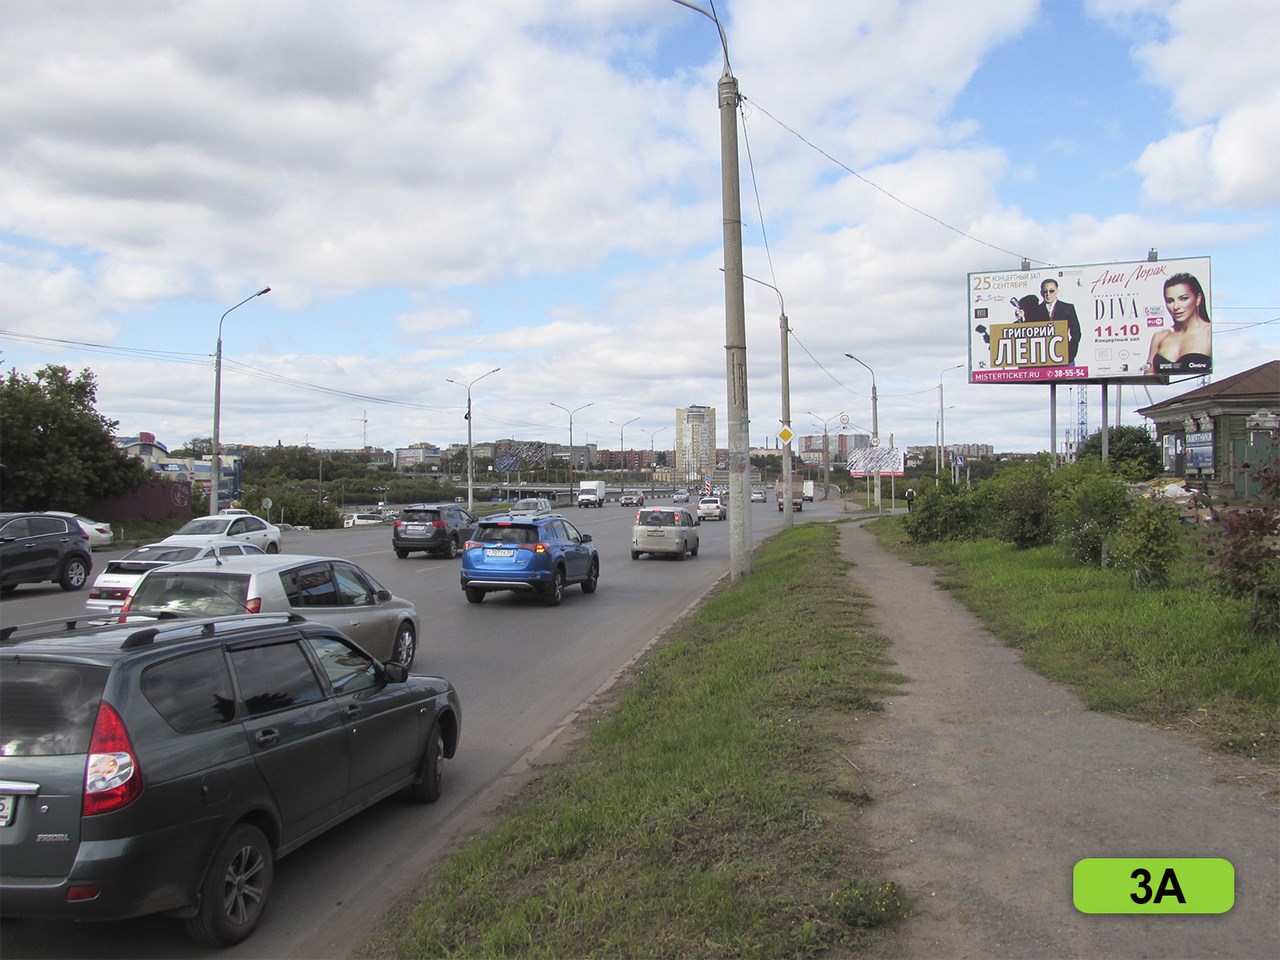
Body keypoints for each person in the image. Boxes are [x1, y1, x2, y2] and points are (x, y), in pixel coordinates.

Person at [1143, 272, 1212, 374]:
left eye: (1183, 299)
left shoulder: (1210, 333)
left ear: (1198, 299)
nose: (1176, 307)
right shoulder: (1160, 336)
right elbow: (1148, 377)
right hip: (1163, 390)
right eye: (1170, 301)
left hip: (1203, 389)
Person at [1039, 279, 1081, 365]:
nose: (1048, 294)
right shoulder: (1035, 310)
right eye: (1045, 291)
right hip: (1044, 359)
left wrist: (1070, 354)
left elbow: (1076, 333)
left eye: (1051, 291)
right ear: (1041, 293)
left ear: (1057, 291)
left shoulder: (1067, 308)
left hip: (1064, 357)